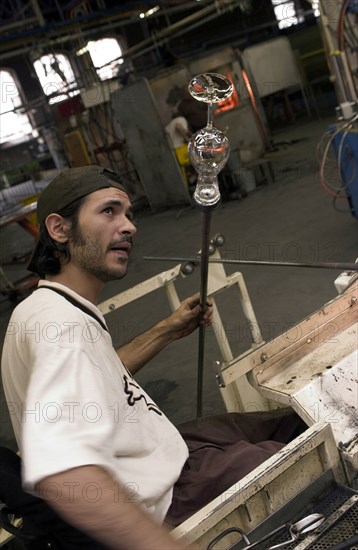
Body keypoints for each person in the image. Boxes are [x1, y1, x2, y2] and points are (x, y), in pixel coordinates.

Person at [1, 165, 306, 549]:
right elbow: (66, 476)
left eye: (128, 214)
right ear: (60, 229)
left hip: (165, 449)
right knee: (299, 455)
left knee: (296, 420)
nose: (129, 226)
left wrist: (166, 330)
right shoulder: (59, 326)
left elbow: (99, 377)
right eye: (108, 211)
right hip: (162, 497)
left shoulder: (51, 307)